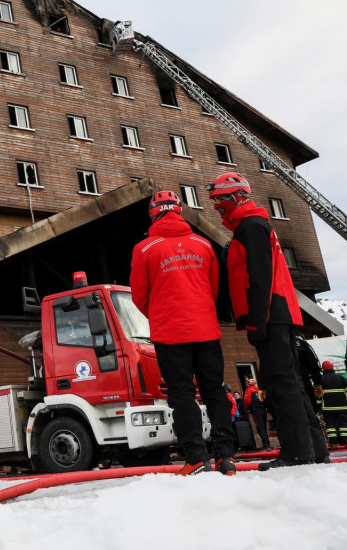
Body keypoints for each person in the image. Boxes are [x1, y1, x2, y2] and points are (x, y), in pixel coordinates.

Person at [208, 172, 330, 469]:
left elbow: (259, 278)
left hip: (270, 313)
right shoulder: (253, 225)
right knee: (291, 382)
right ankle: (314, 449)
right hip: (278, 311)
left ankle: (297, 453)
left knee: (280, 383)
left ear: (237, 196)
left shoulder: (250, 227)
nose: (216, 206)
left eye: (220, 199)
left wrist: (256, 321)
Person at [130, 190, 236, 475]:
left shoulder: (144, 249)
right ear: (179, 211)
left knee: (182, 395)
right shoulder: (203, 244)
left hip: (170, 334)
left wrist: (162, 315)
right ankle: (226, 458)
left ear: (153, 214)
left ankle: (196, 459)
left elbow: (139, 296)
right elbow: (213, 290)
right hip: (206, 330)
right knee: (214, 392)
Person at [319, 360, 347, 448]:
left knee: (330, 426)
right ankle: (346, 442)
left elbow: (318, 395)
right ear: (332, 367)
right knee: (344, 424)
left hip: (327, 408)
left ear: (323, 369)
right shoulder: (341, 378)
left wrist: (319, 406)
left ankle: (334, 444)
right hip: (342, 407)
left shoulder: (320, 379)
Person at [296, 334, 323, 414]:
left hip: (283, 389)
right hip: (303, 384)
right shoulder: (301, 344)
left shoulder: (273, 344)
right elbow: (314, 365)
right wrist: (317, 384)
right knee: (310, 413)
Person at [244, 378, 271, 450]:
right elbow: (264, 400)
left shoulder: (248, 390)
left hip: (256, 410)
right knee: (264, 427)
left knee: (260, 428)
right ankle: (267, 444)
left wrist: (247, 409)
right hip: (263, 410)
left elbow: (247, 401)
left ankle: (266, 446)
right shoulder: (259, 390)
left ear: (249, 383)